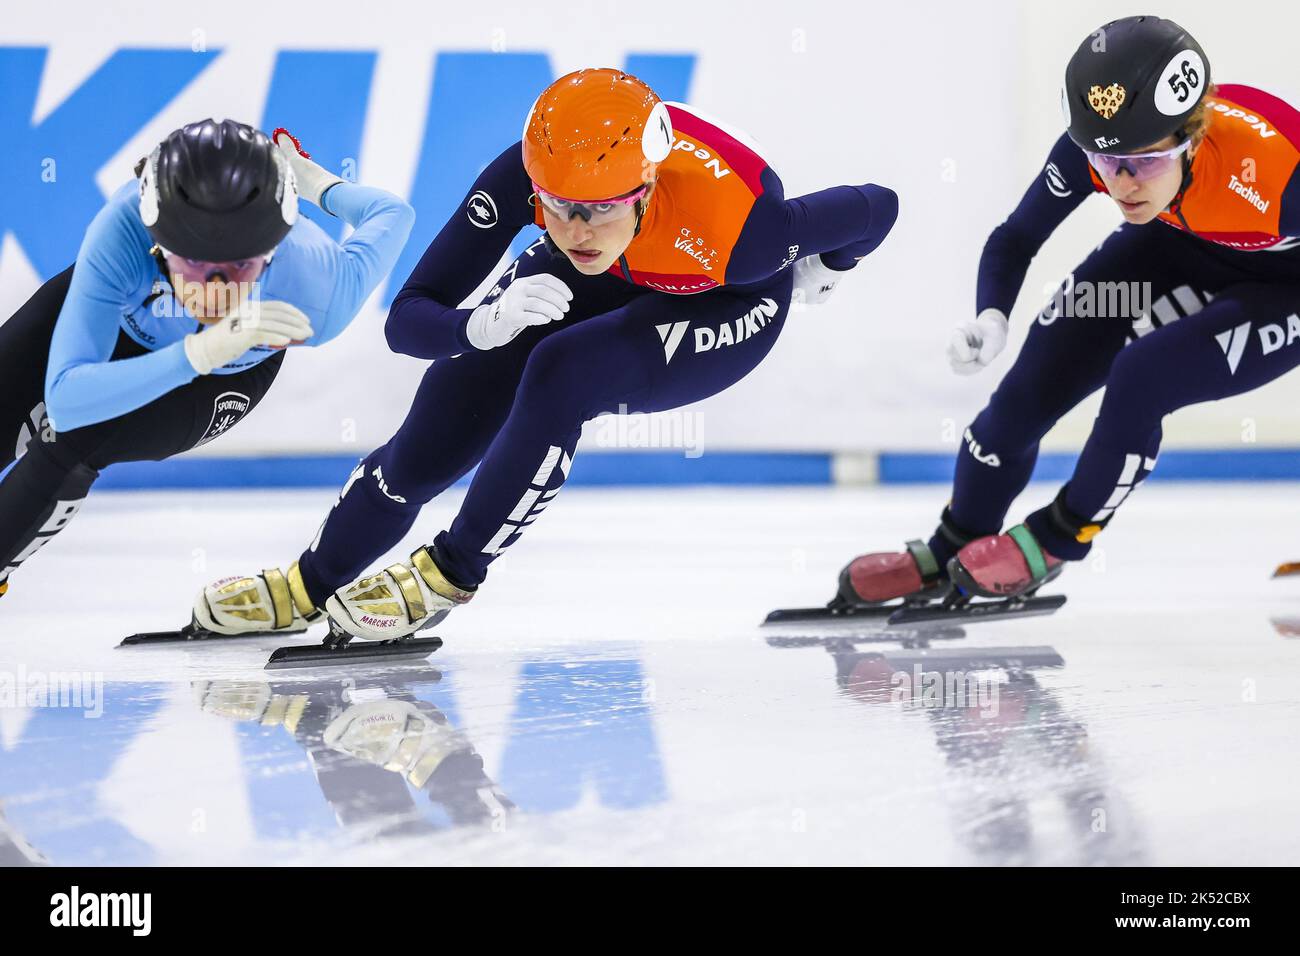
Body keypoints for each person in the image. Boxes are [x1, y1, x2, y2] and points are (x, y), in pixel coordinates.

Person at [192, 67, 899, 640]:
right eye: (555, 205)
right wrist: (478, 326)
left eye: (597, 209)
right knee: (443, 417)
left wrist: (827, 269)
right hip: (626, 271)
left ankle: (451, 571)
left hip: (724, 294)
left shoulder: (749, 232)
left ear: (647, 187)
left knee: (564, 370)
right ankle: (311, 581)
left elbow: (878, 206)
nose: (573, 229)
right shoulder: (527, 180)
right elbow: (408, 320)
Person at [839, 15, 1300, 606]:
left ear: (1196, 133)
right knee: (1030, 385)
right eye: (1107, 165)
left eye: (1147, 162)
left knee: (1145, 373)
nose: (1124, 185)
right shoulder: (1101, 143)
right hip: (1175, 247)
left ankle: (1057, 539)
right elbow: (1016, 237)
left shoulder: (1275, 170)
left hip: (1286, 286)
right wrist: (992, 316)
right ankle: (956, 540)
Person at [0, 119, 414, 601]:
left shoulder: (315, 290)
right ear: (156, 241)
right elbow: (68, 395)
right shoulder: (122, 229)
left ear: (275, 250)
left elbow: (394, 213)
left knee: (75, 442)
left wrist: (315, 182)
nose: (215, 289)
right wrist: (197, 349)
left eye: (242, 265)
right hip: (130, 324)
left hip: (216, 379)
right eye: (194, 263)